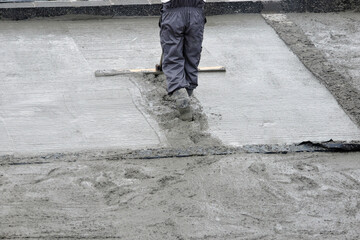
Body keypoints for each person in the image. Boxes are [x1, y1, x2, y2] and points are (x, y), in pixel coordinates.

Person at [159, 0, 206, 121]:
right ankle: (188, 91)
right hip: (196, 12)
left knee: (173, 56)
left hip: (172, 12)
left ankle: (180, 91)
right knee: (192, 55)